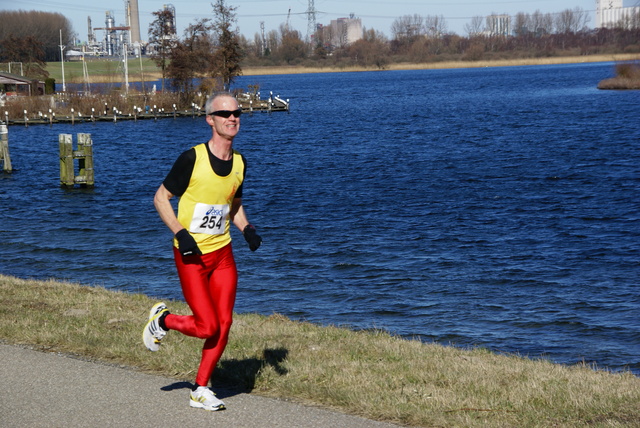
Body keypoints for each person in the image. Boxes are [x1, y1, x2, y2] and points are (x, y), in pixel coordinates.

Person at [143, 92, 262, 411]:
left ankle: (200, 388)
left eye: (237, 112)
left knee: (224, 324)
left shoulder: (239, 163)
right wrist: (181, 234)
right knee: (207, 326)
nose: (232, 117)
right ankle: (164, 320)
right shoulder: (191, 158)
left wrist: (246, 228)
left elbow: (232, 204)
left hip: (223, 255)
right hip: (191, 257)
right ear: (210, 119)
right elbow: (160, 198)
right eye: (224, 113)